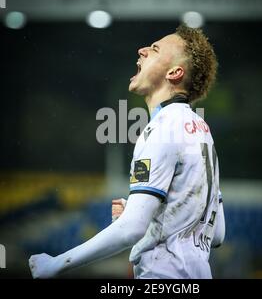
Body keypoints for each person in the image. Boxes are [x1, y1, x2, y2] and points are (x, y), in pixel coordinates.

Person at [29, 24, 225, 279]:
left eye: (154, 49)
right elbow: (218, 233)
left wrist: (56, 264)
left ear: (175, 72)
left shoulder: (162, 129)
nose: (142, 50)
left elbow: (131, 229)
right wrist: (145, 211)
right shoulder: (202, 131)